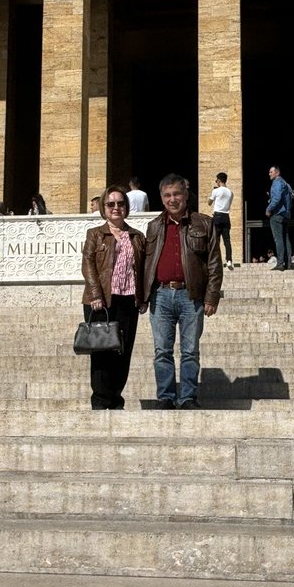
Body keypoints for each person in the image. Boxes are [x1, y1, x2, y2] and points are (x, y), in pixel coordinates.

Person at [144, 173, 222, 409]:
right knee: (162, 351)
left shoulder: (204, 223)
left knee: (190, 351)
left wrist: (212, 296)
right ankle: (166, 396)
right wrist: (143, 296)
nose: (172, 199)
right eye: (167, 195)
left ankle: (187, 397)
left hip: (191, 295)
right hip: (161, 295)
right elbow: (145, 264)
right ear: (161, 198)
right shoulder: (154, 226)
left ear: (186, 196)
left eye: (177, 194)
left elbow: (214, 263)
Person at [80, 186, 147, 410]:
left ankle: (116, 398)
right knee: (101, 353)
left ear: (126, 207)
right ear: (103, 208)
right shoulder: (95, 234)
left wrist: (143, 297)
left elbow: (144, 268)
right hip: (101, 301)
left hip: (128, 299)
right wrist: (96, 294)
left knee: (123, 351)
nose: (116, 208)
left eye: (120, 203)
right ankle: (100, 400)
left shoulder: (137, 236)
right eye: (111, 204)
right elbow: (88, 264)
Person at [265, 165, 292, 271]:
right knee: (286, 238)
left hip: (277, 214)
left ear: (277, 173)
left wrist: (269, 208)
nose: (269, 174)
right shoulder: (286, 183)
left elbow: (276, 198)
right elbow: (291, 196)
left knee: (278, 239)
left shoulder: (276, 182)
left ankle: (280, 263)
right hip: (286, 214)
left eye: (271, 172)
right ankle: (288, 263)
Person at [207, 171, 234, 269]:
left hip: (217, 216)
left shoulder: (216, 191)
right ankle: (229, 260)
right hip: (226, 216)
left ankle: (216, 260)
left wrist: (212, 193)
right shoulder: (230, 193)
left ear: (218, 180)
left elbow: (209, 203)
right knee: (227, 240)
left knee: (215, 240)